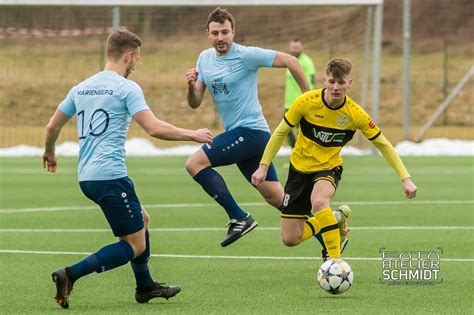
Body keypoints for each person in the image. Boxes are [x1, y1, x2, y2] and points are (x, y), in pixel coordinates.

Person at [43, 29, 213, 309]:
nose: (136, 64)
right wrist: (193, 134)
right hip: (110, 176)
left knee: (142, 220)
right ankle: (70, 275)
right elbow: (154, 128)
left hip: (87, 177)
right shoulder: (126, 87)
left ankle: (145, 287)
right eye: (136, 59)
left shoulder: (82, 87)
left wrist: (49, 151)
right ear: (128, 55)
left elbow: (52, 126)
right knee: (135, 245)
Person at [252, 58, 418, 260]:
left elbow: (383, 144)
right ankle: (337, 217)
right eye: (332, 82)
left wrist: (405, 178)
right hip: (298, 170)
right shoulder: (306, 102)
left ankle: (334, 262)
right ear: (324, 80)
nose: (336, 87)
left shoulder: (355, 114)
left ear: (350, 83)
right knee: (290, 239)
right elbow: (280, 133)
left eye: (341, 83)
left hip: (328, 168)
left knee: (320, 202)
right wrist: (263, 166)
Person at [184, 7, 310, 247]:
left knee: (194, 163)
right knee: (278, 198)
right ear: (208, 34)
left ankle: (239, 217)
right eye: (215, 33)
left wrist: (309, 99)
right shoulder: (204, 58)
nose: (220, 38)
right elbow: (195, 102)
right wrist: (191, 85)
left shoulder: (246, 55)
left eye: (224, 32)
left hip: (251, 132)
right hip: (244, 137)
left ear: (234, 32)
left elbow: (291, 61)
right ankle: (329, 229)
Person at [284, 39, 316, 148]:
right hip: (289, 103)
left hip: (301, 102)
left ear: (302, 48)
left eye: (296, 48)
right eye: (292, 48)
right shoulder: (289, 60)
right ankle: (295, 152)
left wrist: (308, 100)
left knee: (302, 131)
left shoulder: (306, 62)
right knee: (286, 129)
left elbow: (311, 82)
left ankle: (302, 157)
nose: (294, 50)